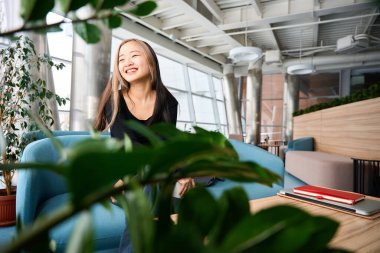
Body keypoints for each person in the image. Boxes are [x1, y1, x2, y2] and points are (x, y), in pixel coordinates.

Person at [93, 38, 194, 253]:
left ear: (151, 61)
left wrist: (182, 172)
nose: (127, 62)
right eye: (121, 58)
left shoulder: (168, 101)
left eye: (134, 55)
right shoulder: (115, 100)